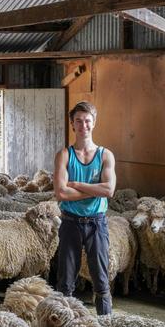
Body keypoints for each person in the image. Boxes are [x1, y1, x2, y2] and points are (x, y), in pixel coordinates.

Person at [53, 101, 116, 315]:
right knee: (66, 281)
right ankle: (63, 319)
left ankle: (106, 320)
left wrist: (77, 185)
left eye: (87, 120)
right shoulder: (64, 155)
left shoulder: (105, 155)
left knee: (101, 280)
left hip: (97, 223)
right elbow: (61, 193)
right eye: (78, 121)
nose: (83, 125)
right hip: (70, 222)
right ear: (72, 124)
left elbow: (109, 190)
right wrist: (95, 189)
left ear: (94, 123)